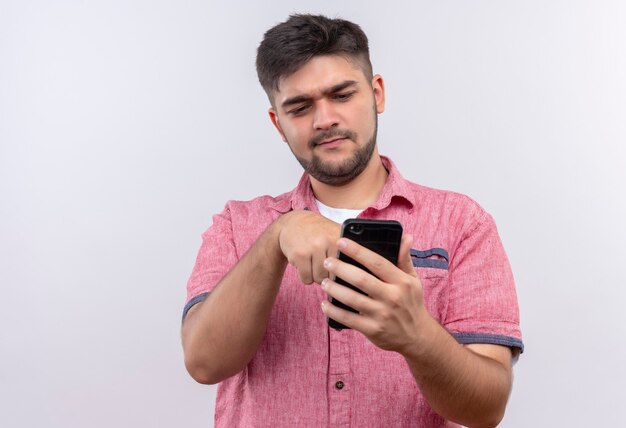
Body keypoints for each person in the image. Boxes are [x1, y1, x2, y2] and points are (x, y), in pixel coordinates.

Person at [181, 14, 523, 428]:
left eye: (341, 94)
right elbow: (203, 362)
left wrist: (416, 335)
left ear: (377, 93)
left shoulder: (463, 223)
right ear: (278, 123)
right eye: (300, 106)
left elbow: (487, 409)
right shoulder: (237, 226)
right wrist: (276, 238)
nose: (324, 119)